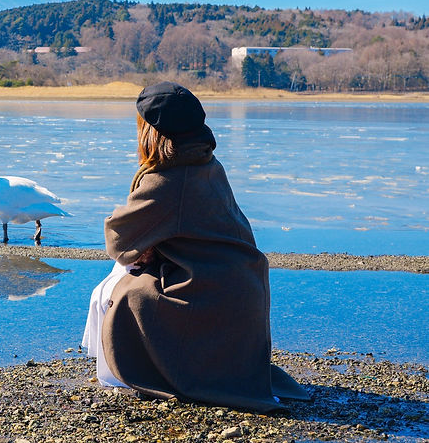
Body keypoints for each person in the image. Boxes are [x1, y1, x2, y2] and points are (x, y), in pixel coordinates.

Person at [83, 81, 309, 412]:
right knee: (130, 274)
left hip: (211, 294)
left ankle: (118, 376)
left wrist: (148, 247)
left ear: (151, 133)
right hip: (241, 291)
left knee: (121, 291)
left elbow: (118, 239)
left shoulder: (169, 180)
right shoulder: (207, 165)